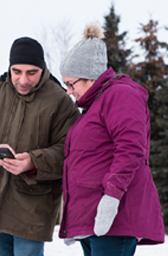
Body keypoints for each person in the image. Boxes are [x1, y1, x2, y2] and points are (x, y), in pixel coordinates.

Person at [0, 37, 80, 256]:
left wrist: (33, 162)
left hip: (32, 205)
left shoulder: (59, 101)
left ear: (42, 69)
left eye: (31, 72)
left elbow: (71, 150)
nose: (23, 79)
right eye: (17, 71)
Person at [58, 22, 165, 256]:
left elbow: (130, 149)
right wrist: (75, 218)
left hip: (116, 219)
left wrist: (111, 199)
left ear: (90, 77)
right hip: (95, 222)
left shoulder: (121, 95)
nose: (68, 91)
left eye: (70, 83)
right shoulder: (95, 105)